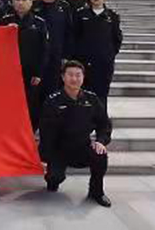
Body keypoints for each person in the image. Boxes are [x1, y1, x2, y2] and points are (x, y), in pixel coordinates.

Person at [39, 61, 113, 208]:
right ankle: (53, 179)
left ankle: (96, 192)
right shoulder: (53, 101)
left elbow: (104, 124)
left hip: (82, 146)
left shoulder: (91, 99)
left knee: (100, 155)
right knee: (54, 178)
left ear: (83, 77)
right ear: (63, 77)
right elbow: (46, 132)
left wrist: (100, 141)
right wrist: (45, 157)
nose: (74, 79)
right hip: (58, 150)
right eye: (70, 75)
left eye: (78, 75)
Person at [2, 0, 49, 131]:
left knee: (31, 104)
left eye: (24, 0)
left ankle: (30, 132)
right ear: (12, 2)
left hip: (31, 72)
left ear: (30, 2)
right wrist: (6, 31)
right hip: (9, 71)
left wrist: (39, 73)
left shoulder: (39, 23)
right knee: (9, 103)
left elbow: (44, 50)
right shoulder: (5, 21)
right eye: (17, 0)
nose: (20, 3)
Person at [74, 0, 123, 111]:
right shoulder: (81, 14)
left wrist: (108, 55)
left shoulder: (112, 16)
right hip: (85, 63)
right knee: (85, 94)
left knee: (102, 94)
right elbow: (75, 37)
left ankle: (102, 121)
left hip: (104, 64)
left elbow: (117, 39)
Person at [32, 0, 73, 98]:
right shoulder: (33, 6)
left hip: (57, 56)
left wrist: (66, 56)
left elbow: (69, 33)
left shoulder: (64, 7)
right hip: (37, 57)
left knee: (54, 92)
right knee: (36, 93)